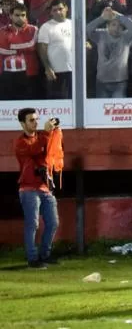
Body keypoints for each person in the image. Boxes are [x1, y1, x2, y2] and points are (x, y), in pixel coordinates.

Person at [15, 108, 61, 269]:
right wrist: (47, 134)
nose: (35, 122)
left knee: (53, 223)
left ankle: (44, 255)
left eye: (36, 119)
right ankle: (32, 259)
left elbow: (50, 149)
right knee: (32, 224)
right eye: (31, 120)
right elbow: (34, 150)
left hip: (44, 186)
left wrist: (53, 131)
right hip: (28, 188)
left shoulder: (41, 137)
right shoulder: (20, 142)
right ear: (22, 123)